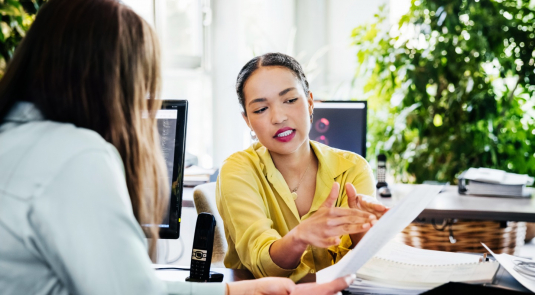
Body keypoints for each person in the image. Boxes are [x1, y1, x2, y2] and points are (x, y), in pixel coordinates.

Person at [0, 1, 354, 294]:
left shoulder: (15, 139)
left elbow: (131, 287)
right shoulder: (77, 155)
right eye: (138, 84)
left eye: (289, 100)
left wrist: (234, 291)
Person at [216, 53, 388, 281]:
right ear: (247, 120)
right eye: (260, 110)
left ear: (309, 103)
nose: (278, 117)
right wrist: (300, 237)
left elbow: (368, 268)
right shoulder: (238, 170)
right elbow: (262, 266)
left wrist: (363, 228)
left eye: (289, 100)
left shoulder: (353, 168)